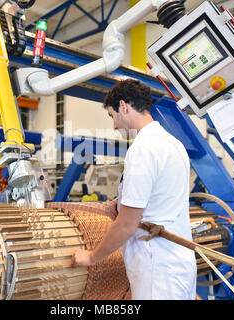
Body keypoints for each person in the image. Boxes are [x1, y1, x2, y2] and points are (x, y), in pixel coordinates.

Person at [71, 78, 197, 300]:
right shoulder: (174, 144)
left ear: (123, 106)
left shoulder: (142, 149)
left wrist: (91, 257)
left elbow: (127, 226)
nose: (115, 126)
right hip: (179, 264)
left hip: (157, 268)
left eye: (113, 116)